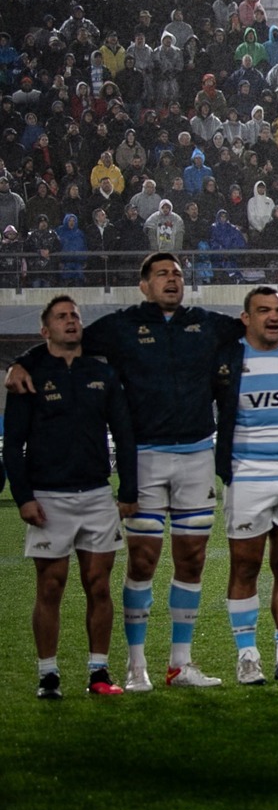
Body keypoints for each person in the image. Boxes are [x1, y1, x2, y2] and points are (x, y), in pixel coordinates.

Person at [5, 253, 278, 690]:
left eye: (177, 274)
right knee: (142, 560)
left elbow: (263, 326)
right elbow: (66, 340)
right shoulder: (120, 327)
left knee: (191, 559)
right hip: (146, 457)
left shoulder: (206, 323)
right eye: (161, 274)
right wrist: (22, 360)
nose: (172, 280)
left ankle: (180, 664)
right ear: (144, 285)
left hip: (197, 456)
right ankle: (137, 665)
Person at [7, 296, 137, 698]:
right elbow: (13, 444)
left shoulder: (102, 370)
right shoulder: (29, 374)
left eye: (75, 316)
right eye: (61, 317)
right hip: (49, 497)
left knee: (99, 586)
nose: (71, 321)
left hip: (97, 495)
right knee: (50, 586)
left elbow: (125, 434)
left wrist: (128, 490)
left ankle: (99, 673)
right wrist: (24, 497)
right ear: (45, 330)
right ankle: (48, 674)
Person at [213, 287, 278, 685]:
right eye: (263, 311)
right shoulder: (228, 357)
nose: (273, 317)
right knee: (245, 566)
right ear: (246, 318)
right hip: (247, 475)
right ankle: (247, 657)